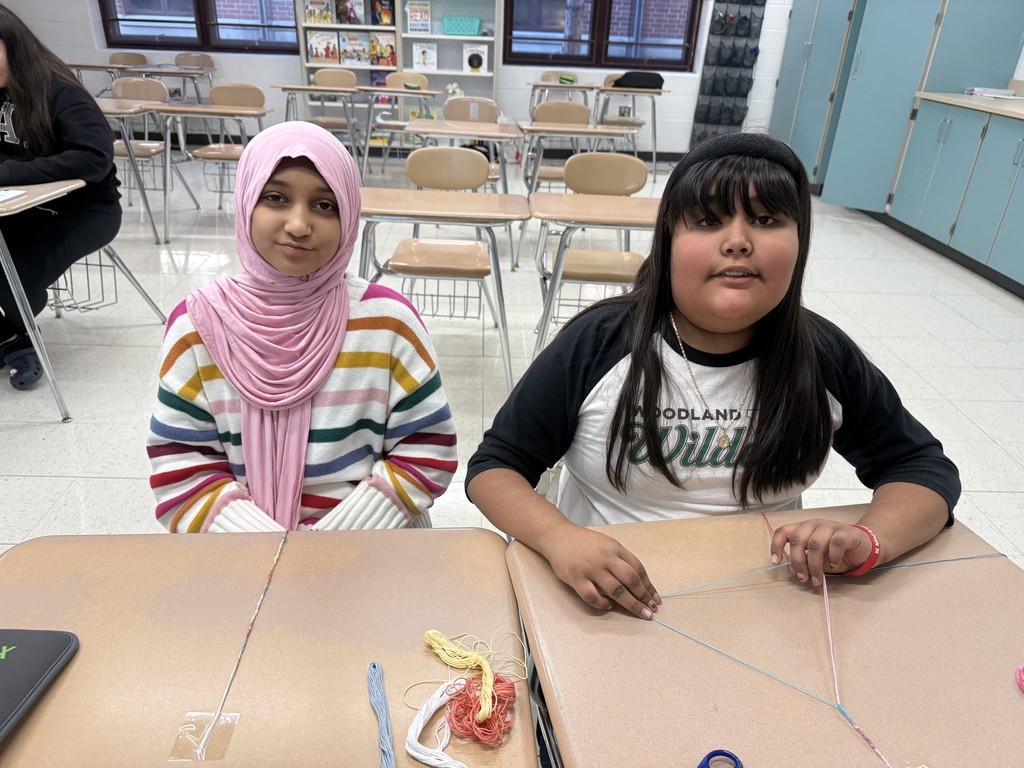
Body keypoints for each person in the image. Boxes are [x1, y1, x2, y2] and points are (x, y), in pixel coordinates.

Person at [466, 132, 960, 619]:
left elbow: (921, 469)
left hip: (767, 606)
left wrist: (870, 540)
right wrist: (559, 538)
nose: (738, 241)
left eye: (766, 220)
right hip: (606, 604)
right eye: (707, 220)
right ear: (668, 243)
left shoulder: (822, 355)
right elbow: (496, 467)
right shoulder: (599, 343)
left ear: (800, 243)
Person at [148, 121, 457, 532]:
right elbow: (181, 465)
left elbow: (427, 449)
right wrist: (268, 547)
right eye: (275, 198)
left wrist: (329, 545)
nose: (298, 225)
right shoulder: (198, 326)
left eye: (325, 205)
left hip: (372, 541)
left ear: (349, 216)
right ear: (246, 202)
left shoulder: (387, 322)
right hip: (238, 547)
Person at [0, 6, 121, 389]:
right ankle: (12, 337)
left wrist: (9, 172)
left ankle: (17, 337)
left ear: (13, 45)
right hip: (23, 205)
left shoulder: (60, 92)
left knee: (14, 276)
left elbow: (93, 158)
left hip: (85, 210)